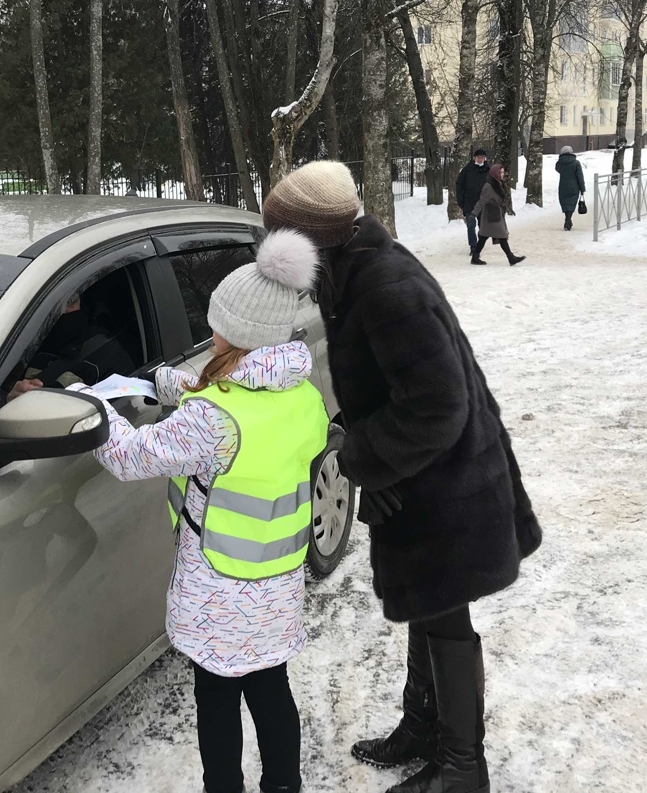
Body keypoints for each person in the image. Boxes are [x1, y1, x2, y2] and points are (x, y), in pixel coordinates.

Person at [262, 163, 542, 793]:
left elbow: (438, 406)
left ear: (311, 237)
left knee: (445, 615)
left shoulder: (383, 286)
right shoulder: (354, 272)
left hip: (447, 482)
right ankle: (423, 728)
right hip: (423, 476)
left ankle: (462, 770)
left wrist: (360, 457)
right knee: (431, 603)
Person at [82, 229, 328, 793]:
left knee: (217, 704)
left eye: (216, 322)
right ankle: (284, 786)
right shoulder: (299, 392)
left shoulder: (212, 421)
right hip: (276, 582)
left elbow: (130, 455)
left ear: (236, 333)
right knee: (271, 693)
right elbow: (229, 394)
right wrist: (158, 383)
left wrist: (97, 407)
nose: (209, 329)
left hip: (219, 592)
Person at [470, 165, 525, 266]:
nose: (502, 174)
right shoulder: (489, 186)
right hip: (491, 215)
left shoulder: (498, 183)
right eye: (501, 173)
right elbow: (481, 201)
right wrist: (474, 213)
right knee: (501, 235)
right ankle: (511, 257)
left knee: (484, 236)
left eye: (503, 172)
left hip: (496, 213)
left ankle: (475, 256)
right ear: (495, 173)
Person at [454, 150, 491, 254]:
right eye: (478, 157)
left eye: (482, 157)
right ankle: (473, 247)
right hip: (469, 202)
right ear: (474, 158)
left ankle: (479, 244)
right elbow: (459, 185)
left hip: (483, 203)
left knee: (482, 226)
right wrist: (460, 200)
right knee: (471, 225)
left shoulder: (488, 170)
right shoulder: (467, 170)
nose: (480, 159)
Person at [554, 145, 585, 231]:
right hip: (574, 187)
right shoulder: (576, 163)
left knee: (565, 203)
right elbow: (580, 177)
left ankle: (567, 219)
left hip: (563, 186)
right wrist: (582, 189)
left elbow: (557, 169)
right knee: (571, 203)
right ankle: (568, 219)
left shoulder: (559, 163)